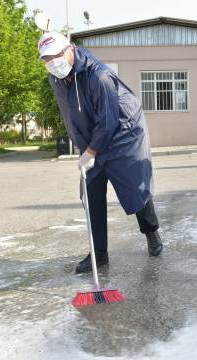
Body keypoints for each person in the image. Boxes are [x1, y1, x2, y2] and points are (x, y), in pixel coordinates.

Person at [38, 32, 163, 273]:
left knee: (136, 188)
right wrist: (84, 149)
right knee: (91, 193)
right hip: (93, 138)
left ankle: (152, 234)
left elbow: (108, 121)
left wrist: (92, 150)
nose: (52, 62)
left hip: (124, 134)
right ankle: (99, 254)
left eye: (56, 55)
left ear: (70, 49)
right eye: (46, 58)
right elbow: (72, 116)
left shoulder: (99, 76)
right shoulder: (56, 78)